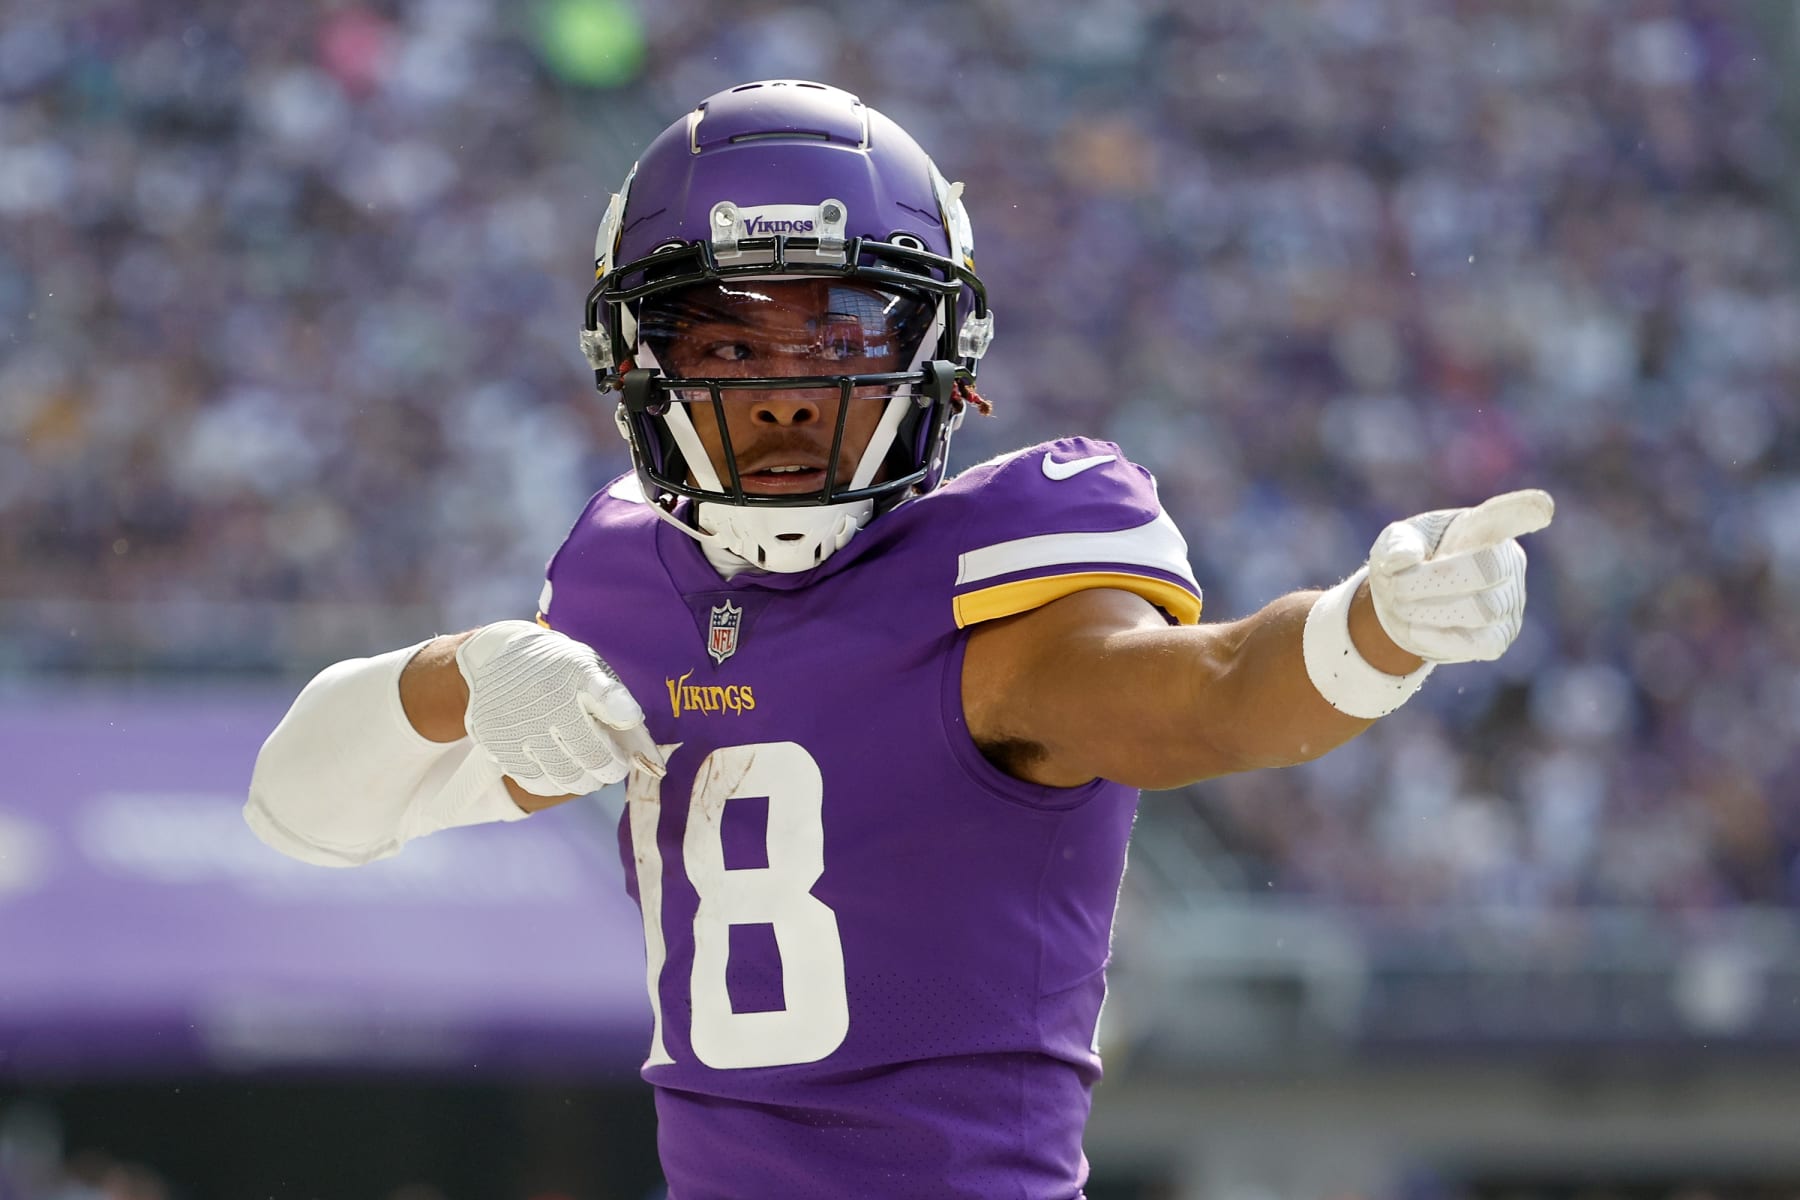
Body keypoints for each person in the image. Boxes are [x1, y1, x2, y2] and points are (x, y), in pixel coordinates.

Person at [246, 80, 1552, 1199]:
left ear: (938, 353)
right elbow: (302, 811)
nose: (783, 394)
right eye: (725, 343)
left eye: (839, 335)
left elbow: (1215, 695)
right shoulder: (620, 592)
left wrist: (1373, 630)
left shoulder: (1006, 594)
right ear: (637, 360)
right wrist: (457, 674)